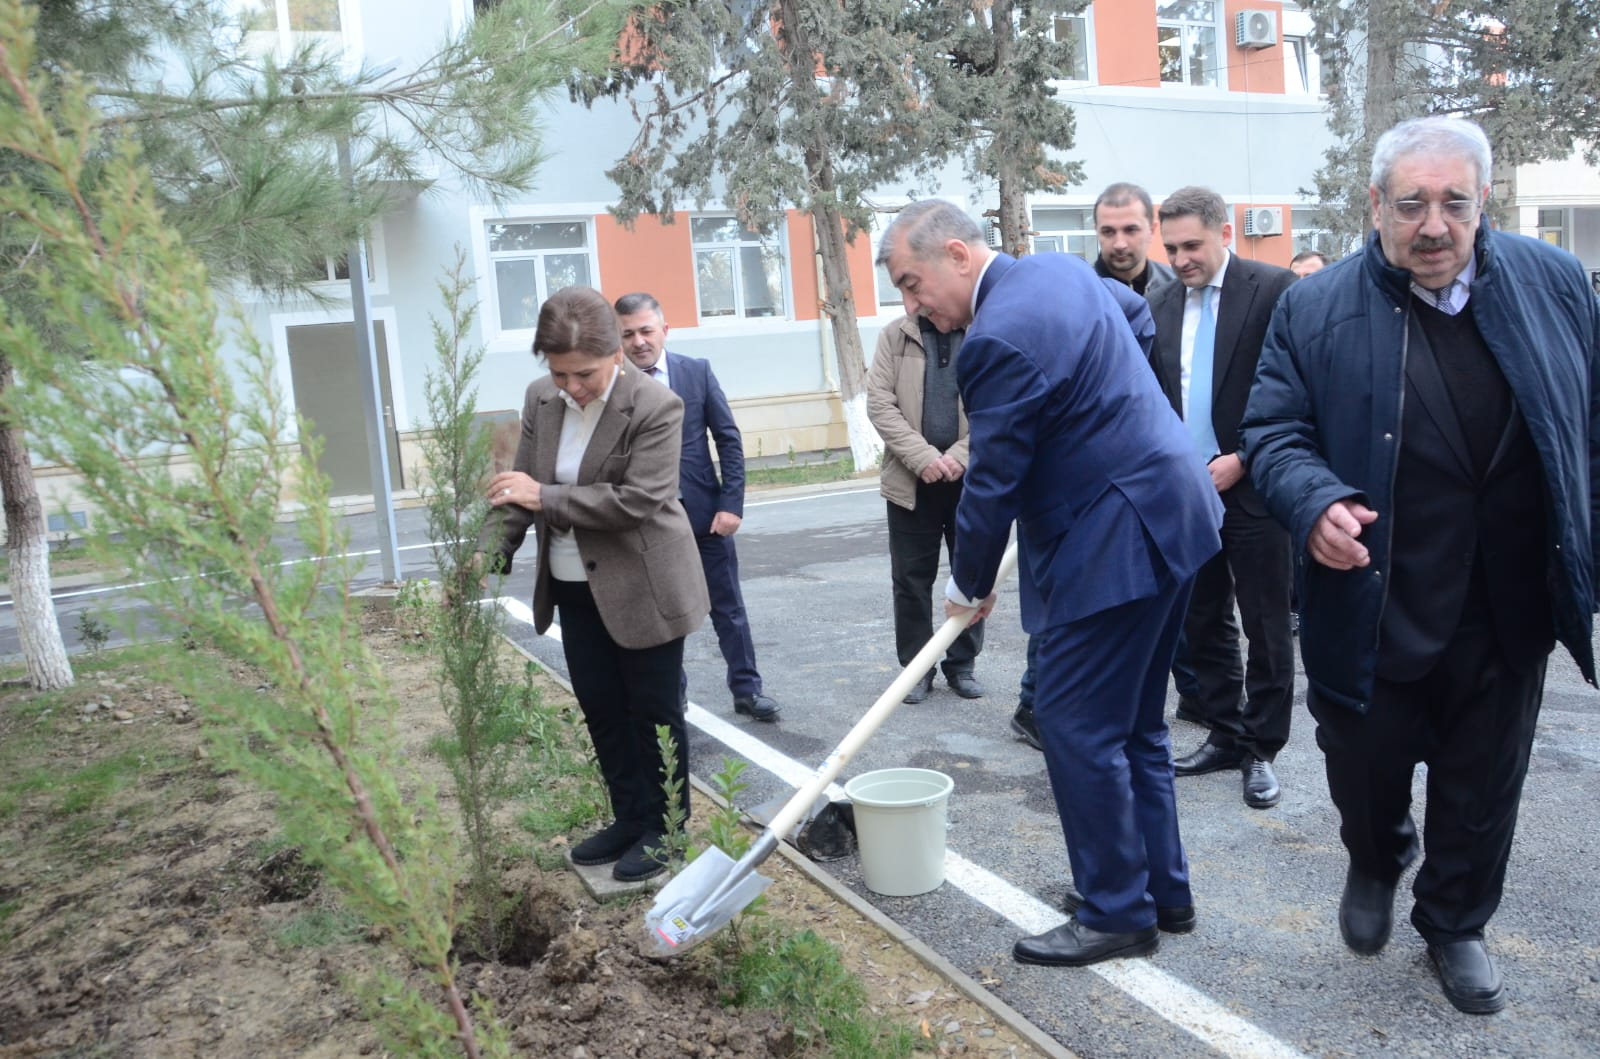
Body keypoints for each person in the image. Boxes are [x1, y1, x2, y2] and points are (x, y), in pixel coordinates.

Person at [1240, 116, 1600, 1014]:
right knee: (1363, 771)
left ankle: (1455, 921)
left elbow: (1588, 425)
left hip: (1508, 600)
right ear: (1375, 205)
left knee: (1484, 784)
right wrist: (1313, 501)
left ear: (1484, 203)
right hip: (1375, 596)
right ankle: (1376, 854)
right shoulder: (1314, 307)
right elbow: (1273, 433)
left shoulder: (1556, 284)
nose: (1433, 226)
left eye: (1454, 203)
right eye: (1411, 204)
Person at [877, 199, 1223, 967]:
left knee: (1072, 722)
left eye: (911, 282)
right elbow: (1135, 318)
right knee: (1136, 723)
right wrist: (1115, 409)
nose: (912, 305)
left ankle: (1117, 910)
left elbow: (993, 479)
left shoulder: (994, 338)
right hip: (1172, 506)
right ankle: (1161, 889)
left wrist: (968, 586)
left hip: (1115, 539)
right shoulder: (1059, 272)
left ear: (957, 254)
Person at [485, 285, 710, 884]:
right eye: (559, 373)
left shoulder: (656, 405)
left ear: (615, 352)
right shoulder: (542, 399)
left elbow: (637, 500)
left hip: (645, 585)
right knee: (603, 710)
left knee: (654, 713)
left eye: (583, 374)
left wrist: (545, 495)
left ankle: (666, 830)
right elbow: (520, 486)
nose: (572, 387)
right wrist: (491, 551)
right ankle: (629, 819)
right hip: (571, 585)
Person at [1149, 187, 1297, 810]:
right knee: (1203, 619)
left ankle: (1261, 748)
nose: (1181, 259)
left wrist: (1243, 458)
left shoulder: (1274, 290)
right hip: (1189, 493)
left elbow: (1292, 389)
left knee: (1266, 625)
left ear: (1225, 233)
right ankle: (1226, 732)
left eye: (1192, 245)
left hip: (1255, 487)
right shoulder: (1159, 303)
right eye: (1171, 248)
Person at [613, 292, 780, 722]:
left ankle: (748, 690)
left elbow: (728, 440)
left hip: (705, 517)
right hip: (647, 523)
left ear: (664, 330)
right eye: (628, 334)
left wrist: (731, 505)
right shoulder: (612, 386)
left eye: (646, 330)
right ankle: (674, 696)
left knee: (729, 609)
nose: (639, 341)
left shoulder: (696, 372)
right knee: (664, 614)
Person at [1091, 180, 1217, 732]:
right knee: (1091, 599)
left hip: (1166, 467)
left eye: (1131, 229)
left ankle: (1195, 697)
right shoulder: (1080, 292)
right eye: (1108, 231)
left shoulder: (1176, 290)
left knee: (1178, 587)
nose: (1119, 242)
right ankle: (1037, 704)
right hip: (1103, 475)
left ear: (1150, 230)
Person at [865, 310, 986, 704]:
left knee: (971, 574)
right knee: (911, 581)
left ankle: (962, 665)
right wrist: (924, 458)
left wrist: (960, 456)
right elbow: (880, 405)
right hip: (911, 482)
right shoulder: (894, 335)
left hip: (970, 481)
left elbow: (999, 404)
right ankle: (916, 670)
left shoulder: (982, 330)